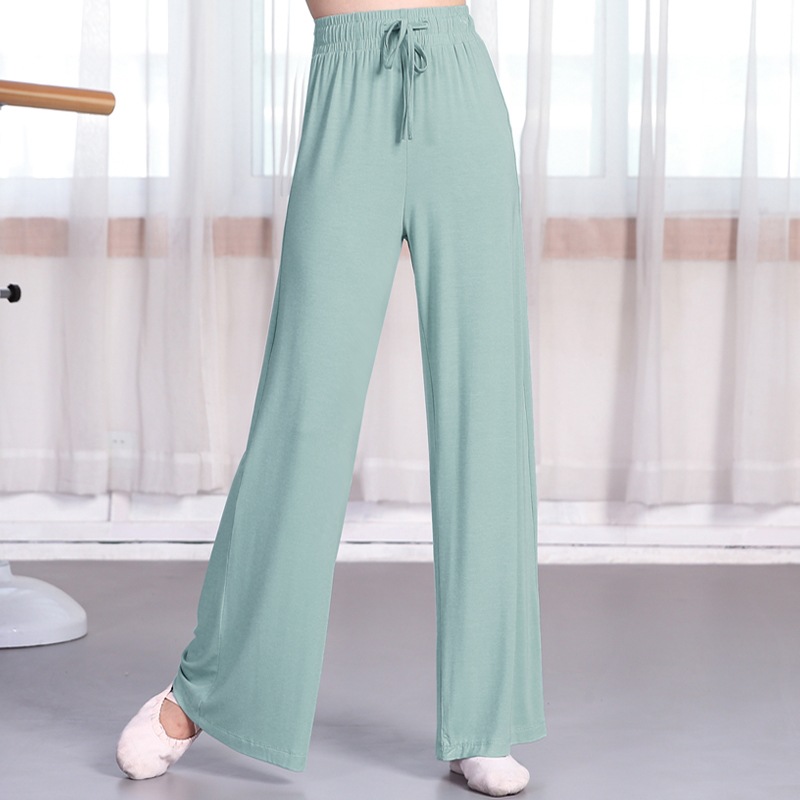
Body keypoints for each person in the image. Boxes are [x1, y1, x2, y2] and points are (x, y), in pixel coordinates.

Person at [116, 1, 546, 796]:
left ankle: (483, 720)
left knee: (486, 413)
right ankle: (203, 691)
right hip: (347, 85)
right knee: (304, 409)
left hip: (459, 82)